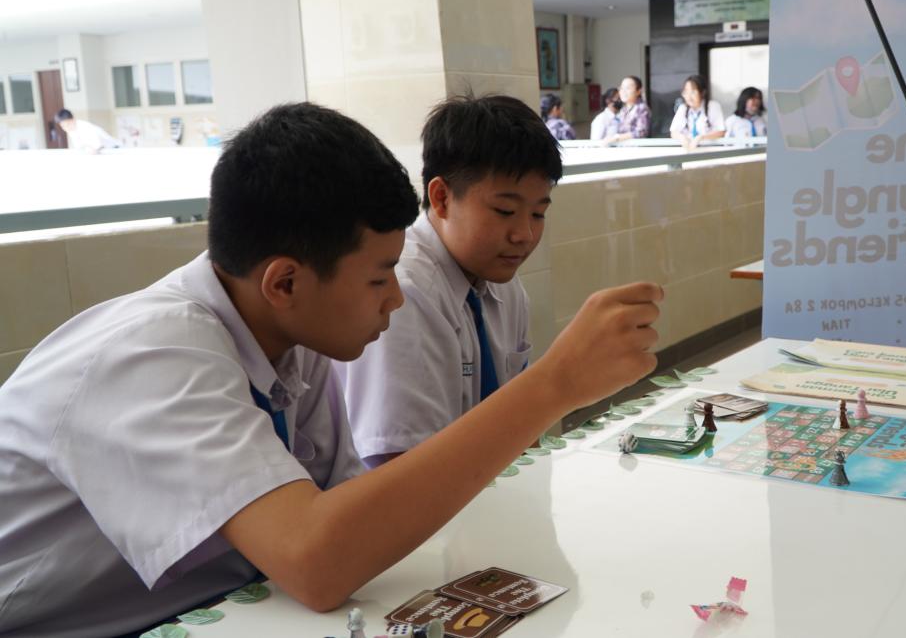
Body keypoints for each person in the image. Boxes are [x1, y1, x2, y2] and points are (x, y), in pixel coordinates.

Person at [0, 102, 662, 637]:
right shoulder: (153, 355)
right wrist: (553, 385)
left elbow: (351, 525)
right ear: (285, 282)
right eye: (379, 277)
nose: (396, 298)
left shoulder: (293, 341)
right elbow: (316, 562)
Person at [342, 94, 558, 466]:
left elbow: (522, 430)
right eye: (505, 210)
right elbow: (400, 468)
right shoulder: (402, 294)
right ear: (441, 197)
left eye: (538, 214)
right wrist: (561, 379)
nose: (524, 234)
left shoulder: (503, 284)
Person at [669, 75, 724, 150]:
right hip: (688, 150)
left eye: (693, 92)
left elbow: (721, 131)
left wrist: (701, 138)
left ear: (702, 92)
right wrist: (681, 137)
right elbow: (673, 132)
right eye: (686, 92)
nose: (689, 97)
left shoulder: (712, 106)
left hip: (710, 150)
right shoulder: (683, 108)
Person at [53, 108, 120, 153]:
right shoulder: (71, 130)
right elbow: (80, 148)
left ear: (73, 119)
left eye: (68, 124)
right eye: (63, 126)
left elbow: (96, 147)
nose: (66, 128)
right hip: (102, 151)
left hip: (115, 149)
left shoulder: (85, 127)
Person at [607, 75, 650, 142]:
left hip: (636, 148)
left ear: (638, 91)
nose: (623, 91)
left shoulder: (641, 108)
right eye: (622, 88)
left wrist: (617, 138)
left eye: (628, 88)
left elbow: (642, 131)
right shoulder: (624, 109)